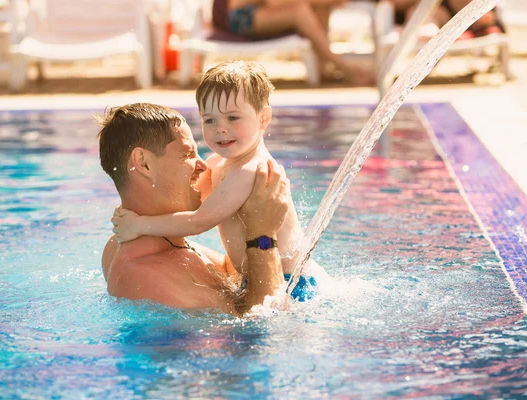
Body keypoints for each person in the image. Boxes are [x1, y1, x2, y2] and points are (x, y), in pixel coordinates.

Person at [111, 61, 326, 301]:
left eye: (233, 118)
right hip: (252, 278)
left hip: (290, 283)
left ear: (263, 118)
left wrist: (139, 224)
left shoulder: (250, 171)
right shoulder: (219, 164)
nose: (220, 129)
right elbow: (186, 196)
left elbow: (198, 222)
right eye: (209, 120)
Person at [98, 103, 291, 316]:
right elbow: (264, 323)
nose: (203, 165)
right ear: (144, 164)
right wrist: (263, 234)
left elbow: (234, 273)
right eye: (188, 154)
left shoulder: (139, 242)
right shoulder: (147, 277)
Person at [211, 0, 372, 85]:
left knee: (321, 7)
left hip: (261, 12)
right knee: (300, 11)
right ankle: (343, 66)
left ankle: (323, 68)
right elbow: (274, 2)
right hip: (240, 17)